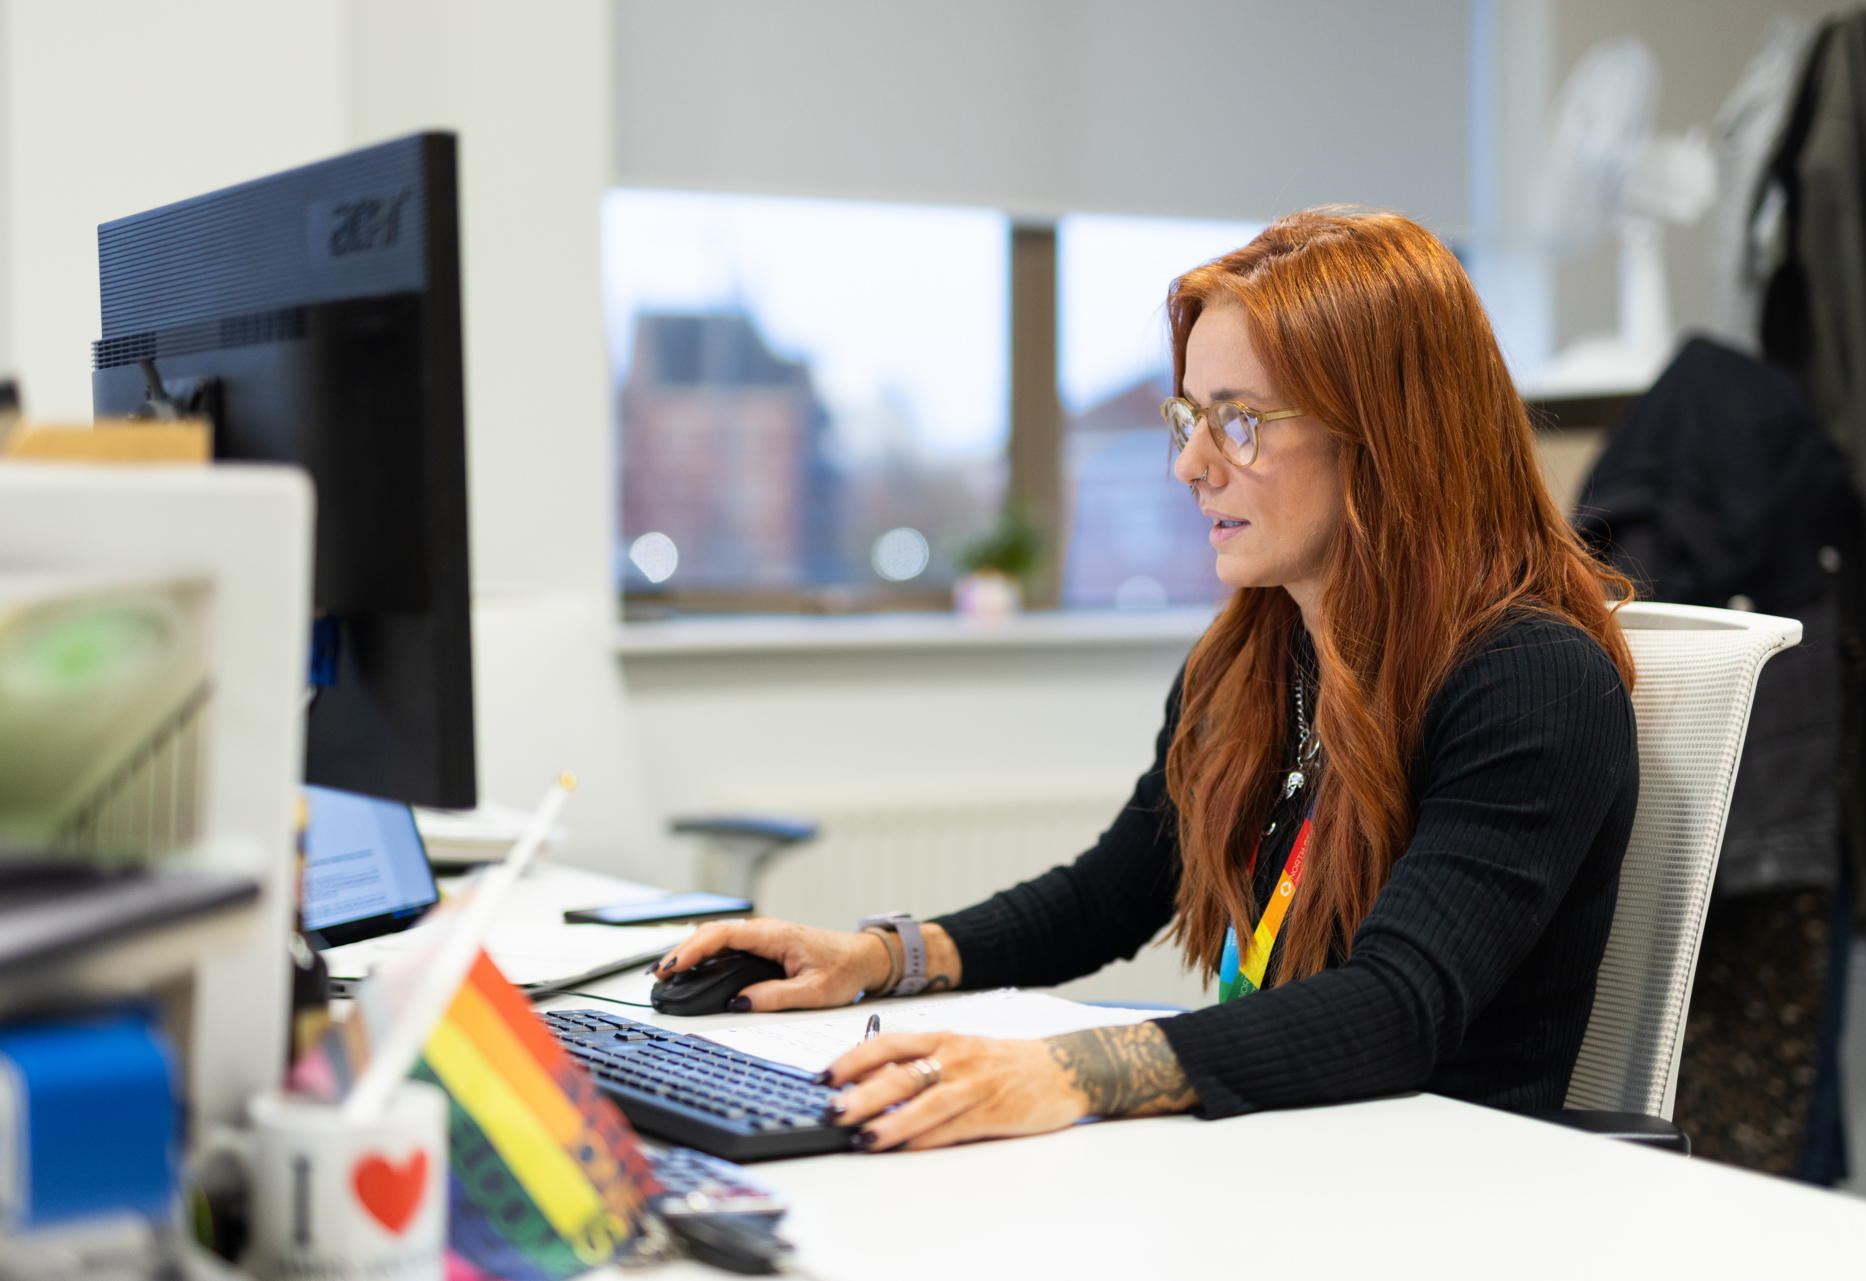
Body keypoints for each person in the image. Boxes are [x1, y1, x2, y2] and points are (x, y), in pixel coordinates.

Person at [653, 208, 1640, 1153]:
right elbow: (1108, 896)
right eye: (1191, 419)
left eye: (1241, 421)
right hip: (1280, 1153)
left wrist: (1071, 1072)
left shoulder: (1534, 682)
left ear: (1390, 435)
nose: (1192, 466)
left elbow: (1397, 1005)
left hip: (1438, 1192)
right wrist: (871, 959)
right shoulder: (1257, 660)